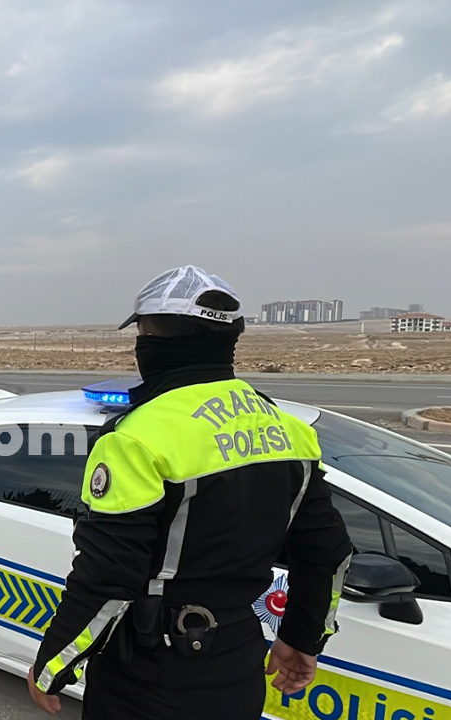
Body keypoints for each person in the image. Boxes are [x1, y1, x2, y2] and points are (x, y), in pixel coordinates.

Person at [27, 266, 352, 719]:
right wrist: (303, 635)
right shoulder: (288, 429)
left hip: (149, 675)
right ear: (229, 338)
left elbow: (109, 577)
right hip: (238, 664)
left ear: (153, 340)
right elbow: (328, 552)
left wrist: (55, 662)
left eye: (142, 332)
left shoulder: (135, 438)